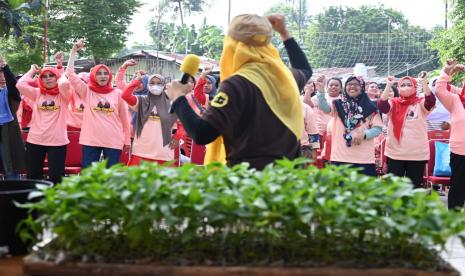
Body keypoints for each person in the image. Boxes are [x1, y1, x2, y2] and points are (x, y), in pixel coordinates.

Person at [166, 13, 311, 170]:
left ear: (233, 44)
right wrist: (284, 33)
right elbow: (305, 69)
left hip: (250, 182)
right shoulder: (284, 77)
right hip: (290, 178)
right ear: (267, 44)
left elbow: (202, 133)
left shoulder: (237, 84)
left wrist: (178, 97)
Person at [66, 39, 131, 168]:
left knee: (111, 177)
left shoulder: (117, 93)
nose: (103, 76)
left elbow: (125, 120)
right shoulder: (87, 92)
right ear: (93, 76)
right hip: (91, 140)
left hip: (113, 141)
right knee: (89, 176)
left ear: (109, 76)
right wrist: (73, 51)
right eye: (99, 74)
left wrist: (127, 140)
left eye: (106, 73)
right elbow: (70, 74)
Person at [317, 76, 383, 176]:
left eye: (356, 84)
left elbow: (378, 128)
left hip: (364, 159)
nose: (352, 86)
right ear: (345, 87)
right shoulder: (338, 105)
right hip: (340, 157)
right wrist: (321, 92)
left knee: (363, 191)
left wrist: (364, 135)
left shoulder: (371, 107)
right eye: (349, 84)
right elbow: (324, 107)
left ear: (362, 87)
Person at [16, 64, 71, 184]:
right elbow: (20, 85)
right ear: (40, 79)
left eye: (51, 76)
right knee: (33, 176)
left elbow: (65, 84)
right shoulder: (37, 93)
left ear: (57, 78)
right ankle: (35, 202)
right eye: (44, 76)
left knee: (57, 177)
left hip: (57, 141)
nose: (48, 78)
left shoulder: (64, 95)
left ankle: (55, 202)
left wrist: (59, 71)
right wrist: (31, 71)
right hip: (35, 140)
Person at [378, 74, 435, 188]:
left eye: (409, 85)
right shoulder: (393, 102)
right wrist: (388, 85)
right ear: (398, 88)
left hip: (417, 154)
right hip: (395, 153)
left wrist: (424, 82)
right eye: (402, 85)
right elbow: (382, 105)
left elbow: (431, 101)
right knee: (393, 188)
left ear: (415, 87)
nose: (406, 87)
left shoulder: (420, 103)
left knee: (413, 188)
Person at [121, 72, 180, 165]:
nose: (155, 85)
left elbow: (184, 123)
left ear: (164, 85)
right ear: (147, 85)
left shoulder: (172, 103)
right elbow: (125, 95)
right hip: (141, 150)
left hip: (163, 151)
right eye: (152, 83)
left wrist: (177, 137)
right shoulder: (141, 100)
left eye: (158, 83)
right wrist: (137, 81)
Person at [435, 59, 465, 209]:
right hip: (460, 151)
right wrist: (447, 70)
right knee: (458, 188)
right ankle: (454, 223)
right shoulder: (456, 100)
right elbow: (439, 89)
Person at [0, 52, 26, 179]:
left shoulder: (11, 95)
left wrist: (4, 66)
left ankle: (13, 197)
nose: (2, 77)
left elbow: (13, 86)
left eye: (3, 74)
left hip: (8, 136)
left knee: (10, 171)